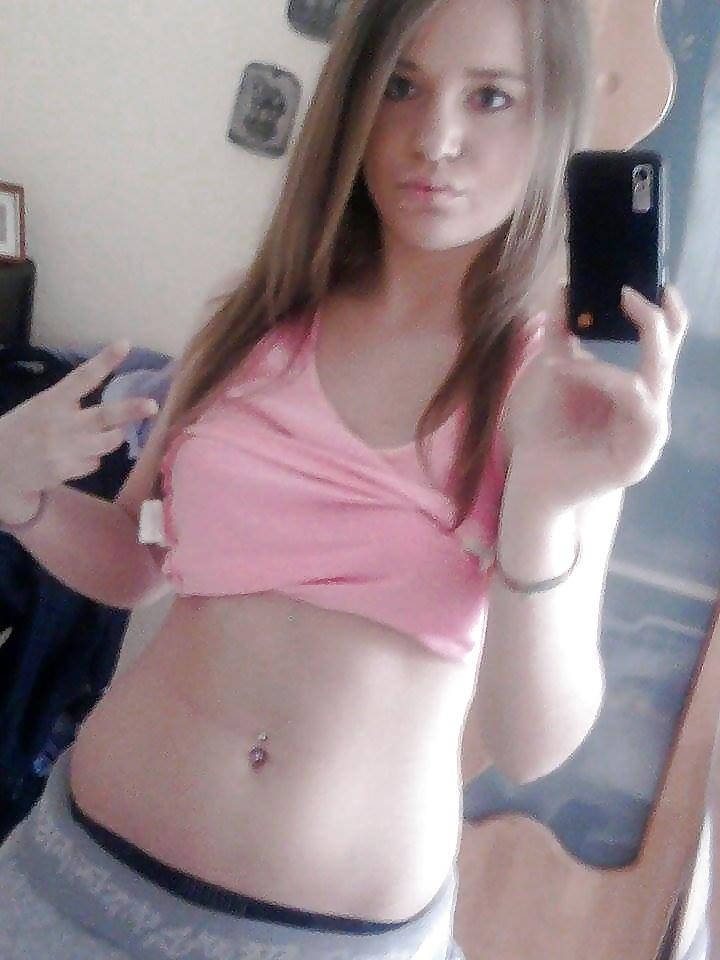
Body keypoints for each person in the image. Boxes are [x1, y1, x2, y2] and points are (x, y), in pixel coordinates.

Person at [0, 0, 689, 957]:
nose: (434, 138)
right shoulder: (251, 323)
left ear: (552, 119)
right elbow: (137, 557)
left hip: (331, 937)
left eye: (491, 96)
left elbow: (530, 744)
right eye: (401, 85)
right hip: (79, 879)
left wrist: (540, 507)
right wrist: (21, 496)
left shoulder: (559, 397)